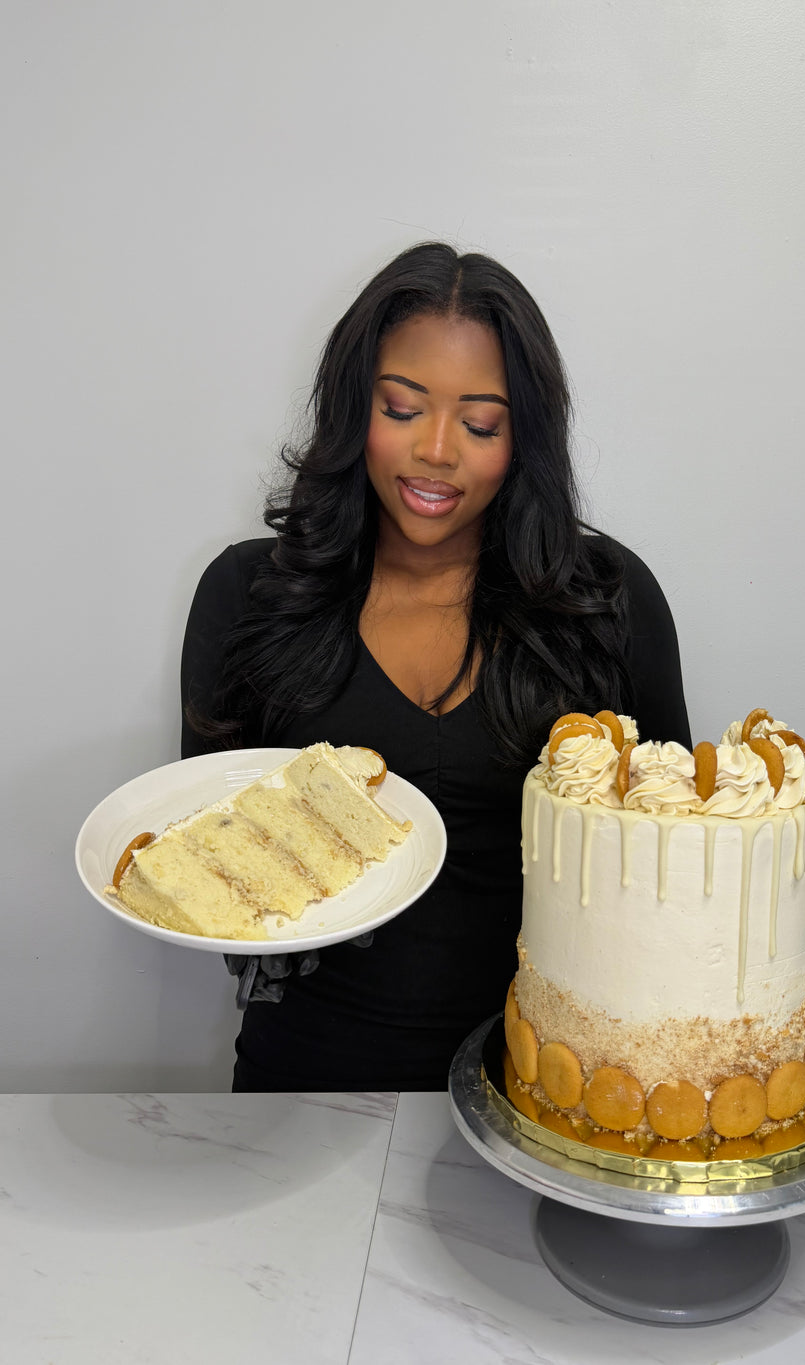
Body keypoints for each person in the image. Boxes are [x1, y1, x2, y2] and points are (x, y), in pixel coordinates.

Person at [181, 242, 691, 1091]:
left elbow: (683, 861)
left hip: (548, 1097)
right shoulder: (247, 595)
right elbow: (203, 863)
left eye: (481, 423)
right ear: (355, 410)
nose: (438, 450)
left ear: (522, 436)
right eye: (402, 407)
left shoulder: (607, 602)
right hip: (299, 1095)